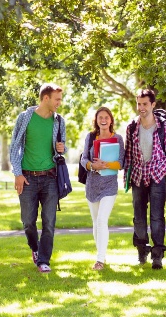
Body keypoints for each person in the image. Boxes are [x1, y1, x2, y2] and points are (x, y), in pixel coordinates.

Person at [9, 83, 66, 273]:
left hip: (50, 177)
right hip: (27, 178)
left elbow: (61, 147)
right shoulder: (25, 118)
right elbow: (14, 146)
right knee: (28, 222)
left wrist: (61, 148)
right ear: (46, 98)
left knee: (49, 223)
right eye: (57, 99)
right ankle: (35, 248)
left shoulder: (59, 121)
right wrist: (17, 173)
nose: (60, 102)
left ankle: (44, 260)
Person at [123, 89, 166, 269]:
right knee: (138, 217)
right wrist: (127, 179)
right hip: (137, 177)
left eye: (145, 104)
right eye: (139, 103)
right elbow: (128, 155)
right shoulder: (131, 127)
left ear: (153, 105)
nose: (141, 107)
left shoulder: (164, 127)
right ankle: (141, 249)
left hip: (157, 177)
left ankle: (158, 254)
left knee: (157, 217)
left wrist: (157, 173)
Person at [80, 107, 125, 270]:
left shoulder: (118, 138)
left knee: (101, 220)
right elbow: (83, 158)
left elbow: (122, 162)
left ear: (111, 120)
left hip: (109, 185)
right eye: (100, 117)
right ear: (96, 120)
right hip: (92, 185)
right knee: (95, 222)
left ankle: (100, 260)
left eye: (106, 117)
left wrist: (105, 165)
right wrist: (93, 165)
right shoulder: (90, 137)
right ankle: (101, 254)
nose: (103, 120)